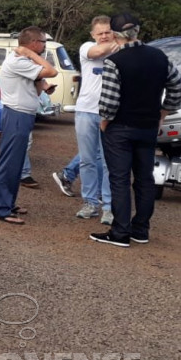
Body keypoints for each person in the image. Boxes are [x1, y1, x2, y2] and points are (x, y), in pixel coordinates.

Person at [89, 13, 181, 247]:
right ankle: (141, 230)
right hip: (148, 127)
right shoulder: (160, 57)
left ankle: (120, 232)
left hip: (120, 128)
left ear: (113, 34)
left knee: (119, 179)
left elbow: (109, 102)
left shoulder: (115, 61)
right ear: (138, 31)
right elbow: (179, 88)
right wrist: (164, 112)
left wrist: (104, 122)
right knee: (144, 179)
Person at [0, 26, 58, 224]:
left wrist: (41, 81)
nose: (45, 46)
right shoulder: (18, 60)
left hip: (23, 114)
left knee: (17, 163)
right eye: (43, 42)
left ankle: (8, 203)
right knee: (9, 163)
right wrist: (29, 54)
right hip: (16, 115)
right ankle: (2, 209)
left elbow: (39, 87)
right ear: (33, 43)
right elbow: (52, 71)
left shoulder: (25, 62)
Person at [70, 16, 117, 224]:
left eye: (108, 32)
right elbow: (98, 52)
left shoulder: (121, 51)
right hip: (85, 111)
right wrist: (120, 42)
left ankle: (108, 207)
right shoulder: (87, 47)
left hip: (111, 112)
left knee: (109, 162)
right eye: (100, 33)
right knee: (87, 160)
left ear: (113, 32)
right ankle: (90, 203)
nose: (104, 36)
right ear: (93, 35)